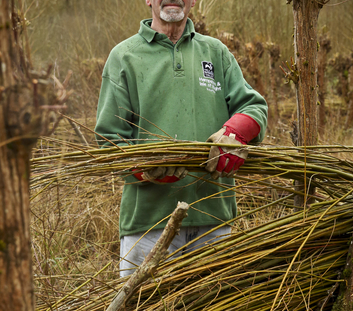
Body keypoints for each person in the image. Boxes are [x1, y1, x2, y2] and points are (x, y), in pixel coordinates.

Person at [95, 0, 268, 277]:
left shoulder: (216, 53)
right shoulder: (123, 56)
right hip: (147, 226)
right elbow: (109, 139)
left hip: (214, 219)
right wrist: (145, 168)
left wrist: (235, 133)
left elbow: (254, 107)